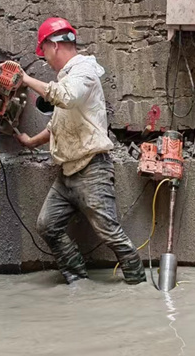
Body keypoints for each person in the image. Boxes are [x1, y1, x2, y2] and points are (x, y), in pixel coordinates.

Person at [13, 17, 146, 285]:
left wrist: (26, 79)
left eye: (45, 52)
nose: (46, 60)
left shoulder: (83, 71)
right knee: (47, 225)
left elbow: (66, 97)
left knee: (110, 233)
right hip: (67, 174)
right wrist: (31, 142)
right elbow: (58, 126)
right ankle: (78, 282)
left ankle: (138, 285)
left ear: (53, 45)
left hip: (92, 169)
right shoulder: (67, 79)